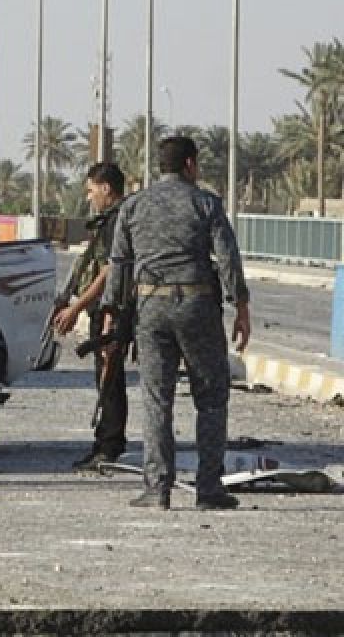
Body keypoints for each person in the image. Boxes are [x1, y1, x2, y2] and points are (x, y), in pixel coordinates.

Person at [102, 135, 250, 511]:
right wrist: (242, 306)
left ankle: (157, 488)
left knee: (156, 398)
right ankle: (209, 489)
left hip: (150, 308)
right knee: (211, 398)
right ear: (190, 164)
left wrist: (113, 312)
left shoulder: (133, 206)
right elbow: (228, 258)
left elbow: (118, 264)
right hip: (197, 305)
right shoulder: (205, 203)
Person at [52, 162, 128, 470]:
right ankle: (106, 442)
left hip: (112, 307)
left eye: (91, 190)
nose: (89, 197)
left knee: (110, 376)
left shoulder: (116, 221)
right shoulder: (110, 219)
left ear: (106, 189)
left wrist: (77, 307)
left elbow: (111, 271)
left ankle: (109, 446)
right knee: (106, 376)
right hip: (106, 306)